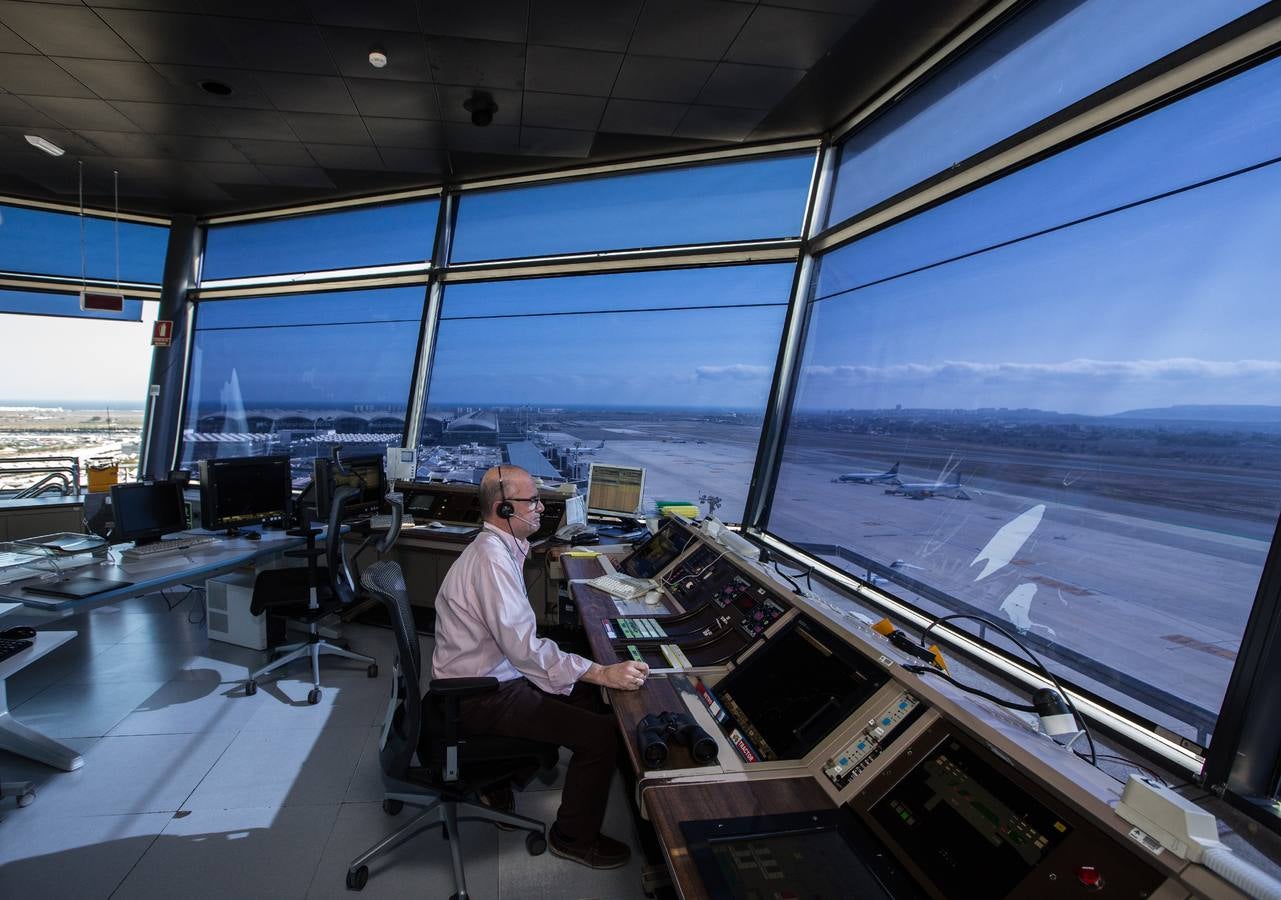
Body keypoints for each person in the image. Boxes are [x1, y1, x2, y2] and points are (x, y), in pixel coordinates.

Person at [431, 464, 650, 870]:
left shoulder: (498, 547)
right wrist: (600, 671)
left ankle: (499, 782)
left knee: (585, 693)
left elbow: (522, 651)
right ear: (504, 509)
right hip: (479, 694)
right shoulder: (492, 561)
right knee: (600, 734)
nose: (540, 508)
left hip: (486, 676)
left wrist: (588, 676)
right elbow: (525, 651)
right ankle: (573, 838)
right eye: (531, 501)